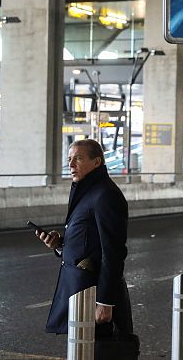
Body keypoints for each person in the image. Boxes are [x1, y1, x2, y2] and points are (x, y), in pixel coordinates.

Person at [35, 138, 133, 340]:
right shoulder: (86, 192)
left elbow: (113, 252)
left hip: (94, 295)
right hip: (79, 292)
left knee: (101, 351)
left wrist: (105, 302)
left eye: (78, 159)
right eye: (70, 159)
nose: (71, 165)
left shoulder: (105, 195)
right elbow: (90, 242)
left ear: (97, 162)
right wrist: (60, 245)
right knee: (82, 349)